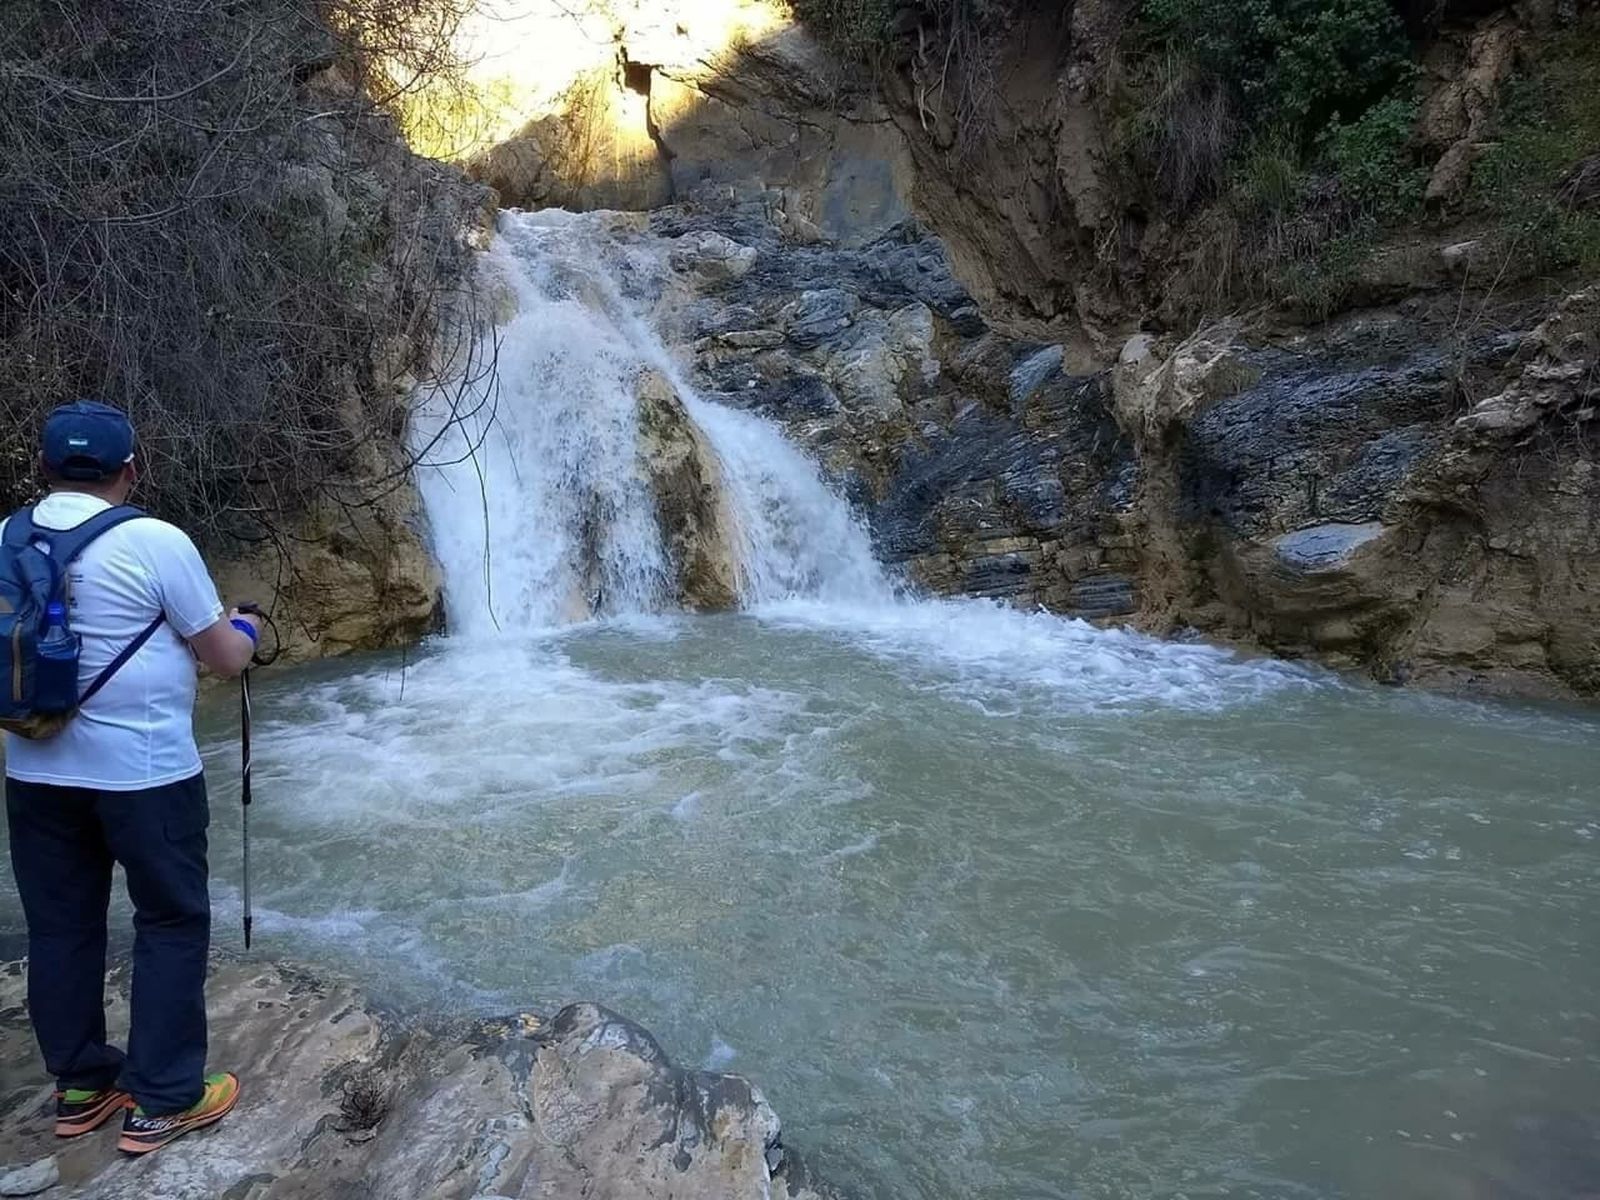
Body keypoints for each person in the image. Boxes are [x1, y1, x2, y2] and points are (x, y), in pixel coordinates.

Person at [2, 401, 262, 1156]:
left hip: (34, 769)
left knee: (61, 926)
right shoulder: (155, 540)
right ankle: (165, 1098)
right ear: (131, 471)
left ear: (43, 467)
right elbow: (224, 659)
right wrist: (247, 626)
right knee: (171, 920)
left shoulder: (6, 536)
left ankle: (82, 1088)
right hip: (145, 774)